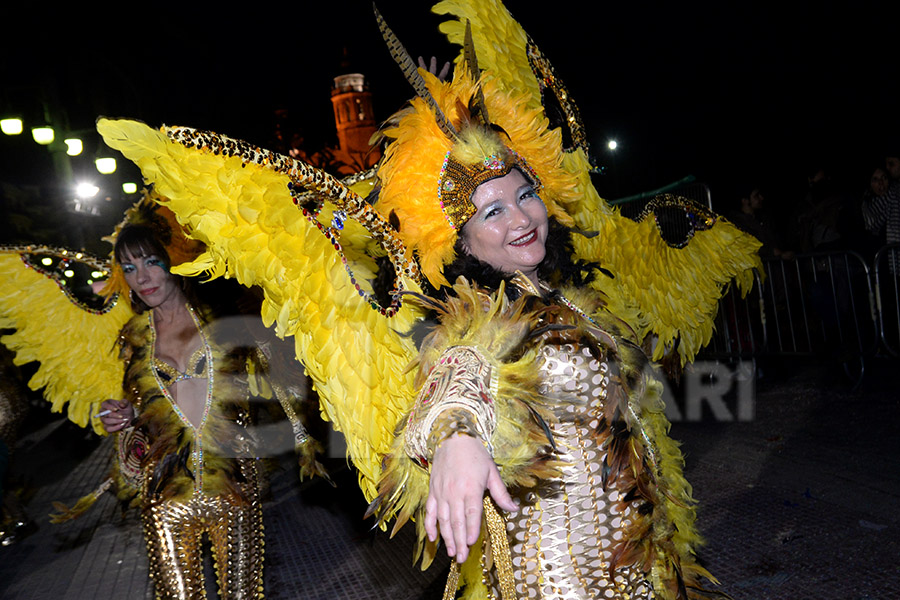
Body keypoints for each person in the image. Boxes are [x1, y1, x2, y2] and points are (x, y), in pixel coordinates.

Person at [97, 221, 326, 599]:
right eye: (130, 268)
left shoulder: (225, 317)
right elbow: (140, 413)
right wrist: (122, 416)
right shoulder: (135, 338)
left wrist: (302, 433)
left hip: (233, 484)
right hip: (167, 497)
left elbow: (278, 372)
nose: (142, 277)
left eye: (151, 261)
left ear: (176, 260)